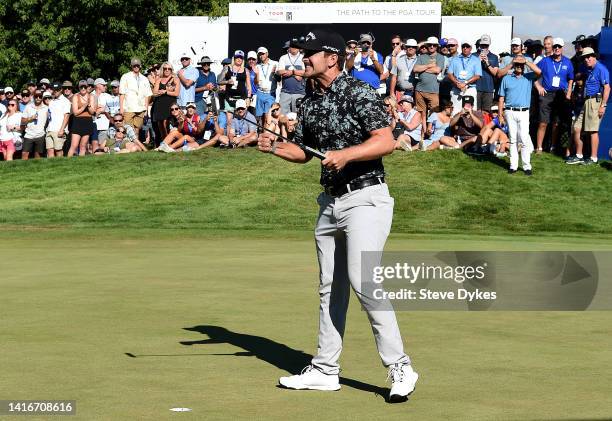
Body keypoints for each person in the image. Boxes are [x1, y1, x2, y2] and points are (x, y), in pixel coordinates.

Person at [257, 29, 418, 402]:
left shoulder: (359, 91)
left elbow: (385, 141)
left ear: (331, 57)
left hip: (366, 198)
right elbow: (306, 153)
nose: (303, 59)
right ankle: (326, 369)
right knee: (331, 288)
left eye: (310, 53)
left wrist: (345, 155)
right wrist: (275, 148)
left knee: (364, 281)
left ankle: (400, 366)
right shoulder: (309, 101)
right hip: (330, 203)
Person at [498, 57, 542, 175]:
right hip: (510, 111)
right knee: (512, 139)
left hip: (523, 112)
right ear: (513, 65)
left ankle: (527, 166)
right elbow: (501, 98)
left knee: (523, 139)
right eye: (517, 64)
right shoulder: (506, 78)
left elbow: (539, 72)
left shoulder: (528, 77)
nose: (519, 66)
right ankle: (513, 166)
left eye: (521, 65)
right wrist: (500, 115)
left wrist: (526, 61)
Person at [567, 47, 610, 165]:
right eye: (585, 57)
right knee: (576, 128)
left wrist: (603, 105)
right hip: (586, 101)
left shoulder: (601, 69)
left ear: (594, 56)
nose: (587, 59)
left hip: (596, 101)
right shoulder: (588, 69)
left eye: (589, 56)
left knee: (593, 131)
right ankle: (579, 155)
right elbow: (580, 77)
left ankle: (593, 158)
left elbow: (607, 88)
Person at [534, 37, 574, 154]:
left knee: (556, 123)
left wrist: (569, 93)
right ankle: (539, 147)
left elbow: (571, 79)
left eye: (559, 47)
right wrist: (538, 87)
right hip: (546, 94)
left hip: (561, 95)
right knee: (543, 122)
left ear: (562, 48)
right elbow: (533, 75)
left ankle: (552, 146)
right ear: (552, 47)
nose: (557, 48)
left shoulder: (567, 62)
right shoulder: (545, 61)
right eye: (555, 46)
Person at [413, 36, 445, 139]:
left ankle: (432, 135)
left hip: (433, 90)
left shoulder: (440, 57)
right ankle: (422, 135)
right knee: (421, 113)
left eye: (434, 45)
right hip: (419, 90)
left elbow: (437, 70)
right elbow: (415, 69)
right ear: (427, 46)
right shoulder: (422, 56)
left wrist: (423, 68)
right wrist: (429, 66)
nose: (431, 46)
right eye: (430, 45)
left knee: (434, 113)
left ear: (437, 46)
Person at [119, 58, 153, 133]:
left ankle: (136, 145)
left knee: (137, 130)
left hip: (141, 108)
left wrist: (146, 109)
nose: (136, 67)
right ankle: (129, 144)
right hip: (128, 108)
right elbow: (122, 93)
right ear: (131, 66)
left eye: (137, 65)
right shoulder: (125, 76)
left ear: (140, 66)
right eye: (134, 66)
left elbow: (147, 95)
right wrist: (121, 108)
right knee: (128, 130)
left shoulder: (144, 79)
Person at [447, 42, 482, 114]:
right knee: (455, 112)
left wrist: (465, 83)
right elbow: (450, 74)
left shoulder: (476, 60)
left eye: (467, 46)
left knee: (470, 112)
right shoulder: (455, 59)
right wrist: (457, 83)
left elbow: (477, 75)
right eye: (463, 46)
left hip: (470, 89)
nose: (465, 48)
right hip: (456, 88)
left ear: (471, 48)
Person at [152, 62, 180, 142]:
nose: (167, 70)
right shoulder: (159, 79)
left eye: (169, 68)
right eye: (165, 68)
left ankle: (169, 143)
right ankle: (164, 143)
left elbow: (176, 93)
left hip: (170, 105)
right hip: (159, 105)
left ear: (171, 70)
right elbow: (154, 93)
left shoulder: (175, 79)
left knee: (167, 124)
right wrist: (162, 92)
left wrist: (165, 92)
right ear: (162, 70)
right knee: (160, 126)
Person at [67, 80, 96, 157]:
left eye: (85, 87)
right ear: (79, 88)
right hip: (77, 122)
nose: (83, 88)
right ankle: (67, 162)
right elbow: (75, 112)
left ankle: (80, 163)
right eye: (81, 87)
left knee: (83, 146)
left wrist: (89, 106)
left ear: (87, 87)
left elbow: (92, 112)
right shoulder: (75, 96)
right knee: (74, 145)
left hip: (88, 121)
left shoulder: (91, 96)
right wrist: (84, 106)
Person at [277, 43, 306, 114]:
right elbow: (279, 72)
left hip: (299, 93)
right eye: (292, 46)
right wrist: (296, 74)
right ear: (289, 48)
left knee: (298, 116)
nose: (294, 48)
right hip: (285, 92)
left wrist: (292, 72)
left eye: (296, 46)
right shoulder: (283, 58)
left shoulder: (303, 58)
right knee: (282, 116)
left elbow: (306, 72)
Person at [21, 90, 49, 160]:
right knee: (24, 153)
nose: (38, 98)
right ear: (34, 97)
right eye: (36, 96)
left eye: (40, 96)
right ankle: (23, 170)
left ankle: (37, 170)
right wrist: (30, 118)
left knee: (38, 155)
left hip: (40, 134)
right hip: (29, 134)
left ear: (42, 97)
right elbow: (22, 120)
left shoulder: (46, 108)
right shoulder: (28, 107)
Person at [46, 82, 72, 158]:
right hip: (50, 129)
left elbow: (66, 116)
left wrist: (62, 130)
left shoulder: (65, 101)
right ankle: (51, 169)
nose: (55, 91)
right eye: (54, 89)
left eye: (57, 90)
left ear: (61, 90)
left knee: (58, 150)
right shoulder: (52, 101)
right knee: (49, 150)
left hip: (59, 130)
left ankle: (60, 168)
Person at [474, 34, 499, 112]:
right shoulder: (473, 56)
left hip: (488, 88)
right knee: (476, 111)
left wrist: (487, 63)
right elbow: (470, 72)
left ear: (489, 45)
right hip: (475, 88)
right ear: (480, 45)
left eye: (486, 45)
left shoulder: (494, 57)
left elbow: (495, 73)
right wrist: (478, 61)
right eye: (482, 45)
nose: (484, 47)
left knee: (487, 112)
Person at [255, 47, 278, 122]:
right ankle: (261, 132)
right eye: (260, 54)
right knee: (259, 116)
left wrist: (275, 74)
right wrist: (256, 74)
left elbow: (279, 80)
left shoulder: (275, 64)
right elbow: (255, 83)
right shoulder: (257, 66)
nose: (261, 56)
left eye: (263, 54)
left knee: (267, 115)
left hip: (270, 93)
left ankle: (266, 132)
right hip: (260, 92)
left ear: (267, 54)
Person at [92, 78, 113, 153]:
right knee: (92, 146)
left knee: (102, 146)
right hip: (92, 124)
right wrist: (96, 110)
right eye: (103, 85)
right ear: (97, 85)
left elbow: (113, 111)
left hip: (104, 125)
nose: (105, 87)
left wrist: (104, 110)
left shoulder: (108, 96)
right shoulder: (90, 96)